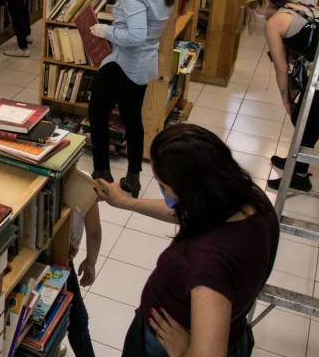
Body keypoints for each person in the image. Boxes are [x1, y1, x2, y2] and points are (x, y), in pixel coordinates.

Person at [95, 124, 279, 357]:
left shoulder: (208, 263)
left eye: (163, 187)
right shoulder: (249, 199)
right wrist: (126, 202)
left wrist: (184, 351)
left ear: (191, 192)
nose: (163, 193)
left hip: (163, 347)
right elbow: (193, 212)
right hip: (233, 330)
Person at [88, 0, 176, 196]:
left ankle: (102, 172)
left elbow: (134, 35)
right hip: (145, 64)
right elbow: (145, 25)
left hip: (123, 62)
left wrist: (106, 31)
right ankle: (133, 177)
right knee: (132, 118)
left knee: (97, 114)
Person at [248, 0, 319, 192]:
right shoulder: (294, 6)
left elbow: (281, 68)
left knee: (305, 117)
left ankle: (299, 175)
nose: (254, 11)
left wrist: (285, 99)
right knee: (309, 115)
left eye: (254, 5)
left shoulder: (274, 23)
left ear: (265, 3)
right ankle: (296, 161)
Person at [62, 168, 102, 357]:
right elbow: (94, 232)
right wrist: (90, 262)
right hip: (62, 259)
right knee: (78, 319)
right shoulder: (85, 182)